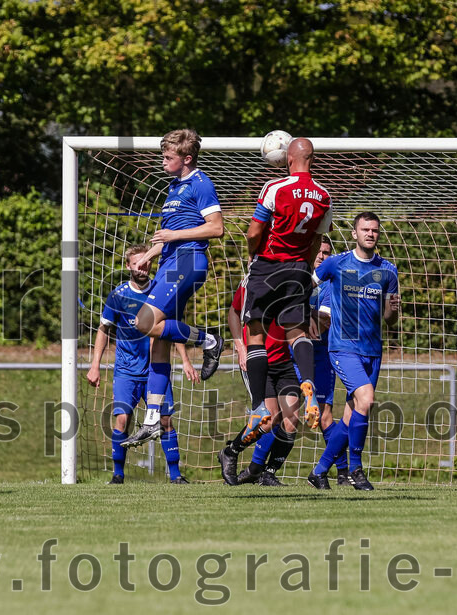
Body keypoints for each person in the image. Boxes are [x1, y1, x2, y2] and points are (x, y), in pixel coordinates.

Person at [219, 137, 332, 478]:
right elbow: (315, 241)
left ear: (287, 159)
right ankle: (308, 383)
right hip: (299, 268)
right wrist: (304, 265)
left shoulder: (275, 187)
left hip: (268, 266)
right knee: (297, 330)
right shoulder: (325, 196)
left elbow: (254, 232)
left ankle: (256, 408)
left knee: (254, 334)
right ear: (311, 158)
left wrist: (255, 253)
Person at [122, 129, 225, 448]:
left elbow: (216, 227)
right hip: (170, 262)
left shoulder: (200, 183)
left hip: (187, 261)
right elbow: (169, 233)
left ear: (187, 159)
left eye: (168, 157)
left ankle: (210, 340)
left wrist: (171, 239)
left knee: (143, 323)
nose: (163, 161)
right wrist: (149, 256)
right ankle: (153, 419)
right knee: (159, 339)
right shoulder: (174, 187)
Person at [86, 244, 198, 484]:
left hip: (155, 370)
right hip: (127, 370)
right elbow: (104, 329)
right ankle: (118, 475)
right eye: (137, 263)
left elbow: (171, 329)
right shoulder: (119, 295)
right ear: (128, 266)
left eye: (146, 262)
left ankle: (176, 476)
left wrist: (186, 361)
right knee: (122, 419)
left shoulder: (161, 292)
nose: (142, 267)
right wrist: (95, 365)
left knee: (165, 420)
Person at [307, 212, 400, 491]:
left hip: (373, 350)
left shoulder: (388, 271)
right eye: (365, 229)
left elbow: (390, 318)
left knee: (352, 416)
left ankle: (319, 471)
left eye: (374, 230)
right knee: (367, 398)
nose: (370, 234)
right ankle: (356, 470)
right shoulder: (336, 264)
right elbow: (304, 286)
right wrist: (308, 315)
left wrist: (393, 311)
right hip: (343, 347)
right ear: (354, 234)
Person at [224, 279, 301, 486]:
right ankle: (230, 452)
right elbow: (233, 312)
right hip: (260, 363)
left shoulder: (290, 279)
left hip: (284, 362)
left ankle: (268, 473)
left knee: (292, 420)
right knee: (267, 421)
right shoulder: (251, 280)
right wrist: (240, 346)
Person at [305, 237, 351, 485]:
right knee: (282, 413)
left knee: (324, 416)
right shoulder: (299, 277)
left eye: (326, 252)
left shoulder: (331, 284)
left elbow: (324, 322)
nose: (322, 256)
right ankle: (262, 471)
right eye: (319, 251)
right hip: (294, 354)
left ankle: (343, 472)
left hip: (321, 353)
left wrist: (301, 313)